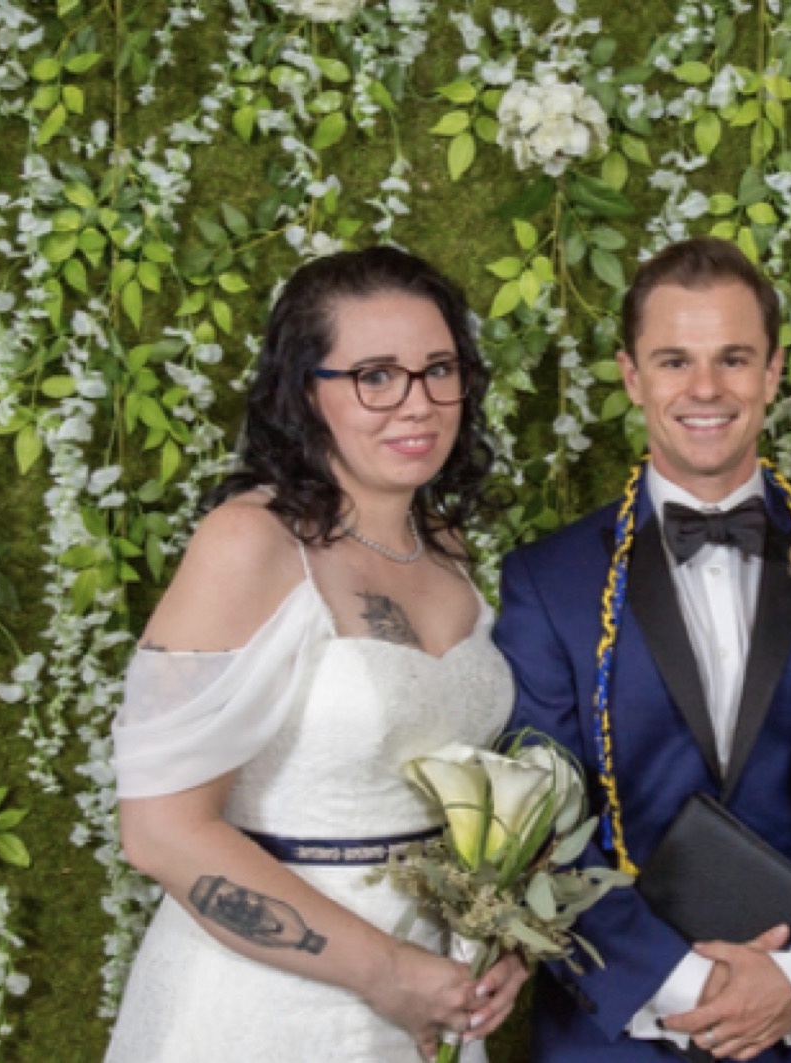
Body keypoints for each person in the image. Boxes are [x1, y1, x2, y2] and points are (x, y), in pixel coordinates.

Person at [107, 247, 527, 1063]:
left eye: (439, 369)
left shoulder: (443, 544)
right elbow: (158, 830)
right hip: (262, 1008)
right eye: (375, 375)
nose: (418, 404)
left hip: (432, 994)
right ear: (307, 392)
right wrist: (385, 969)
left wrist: (500, 933)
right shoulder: (250, 541)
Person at [493, 237, 791, 1062]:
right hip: (619, 1033)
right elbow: (534, 820)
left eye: (733, 358)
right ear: (632, 376)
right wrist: (676, 984)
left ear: (774, 371)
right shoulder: (545, 582)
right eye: (674, 360)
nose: (706, 389)